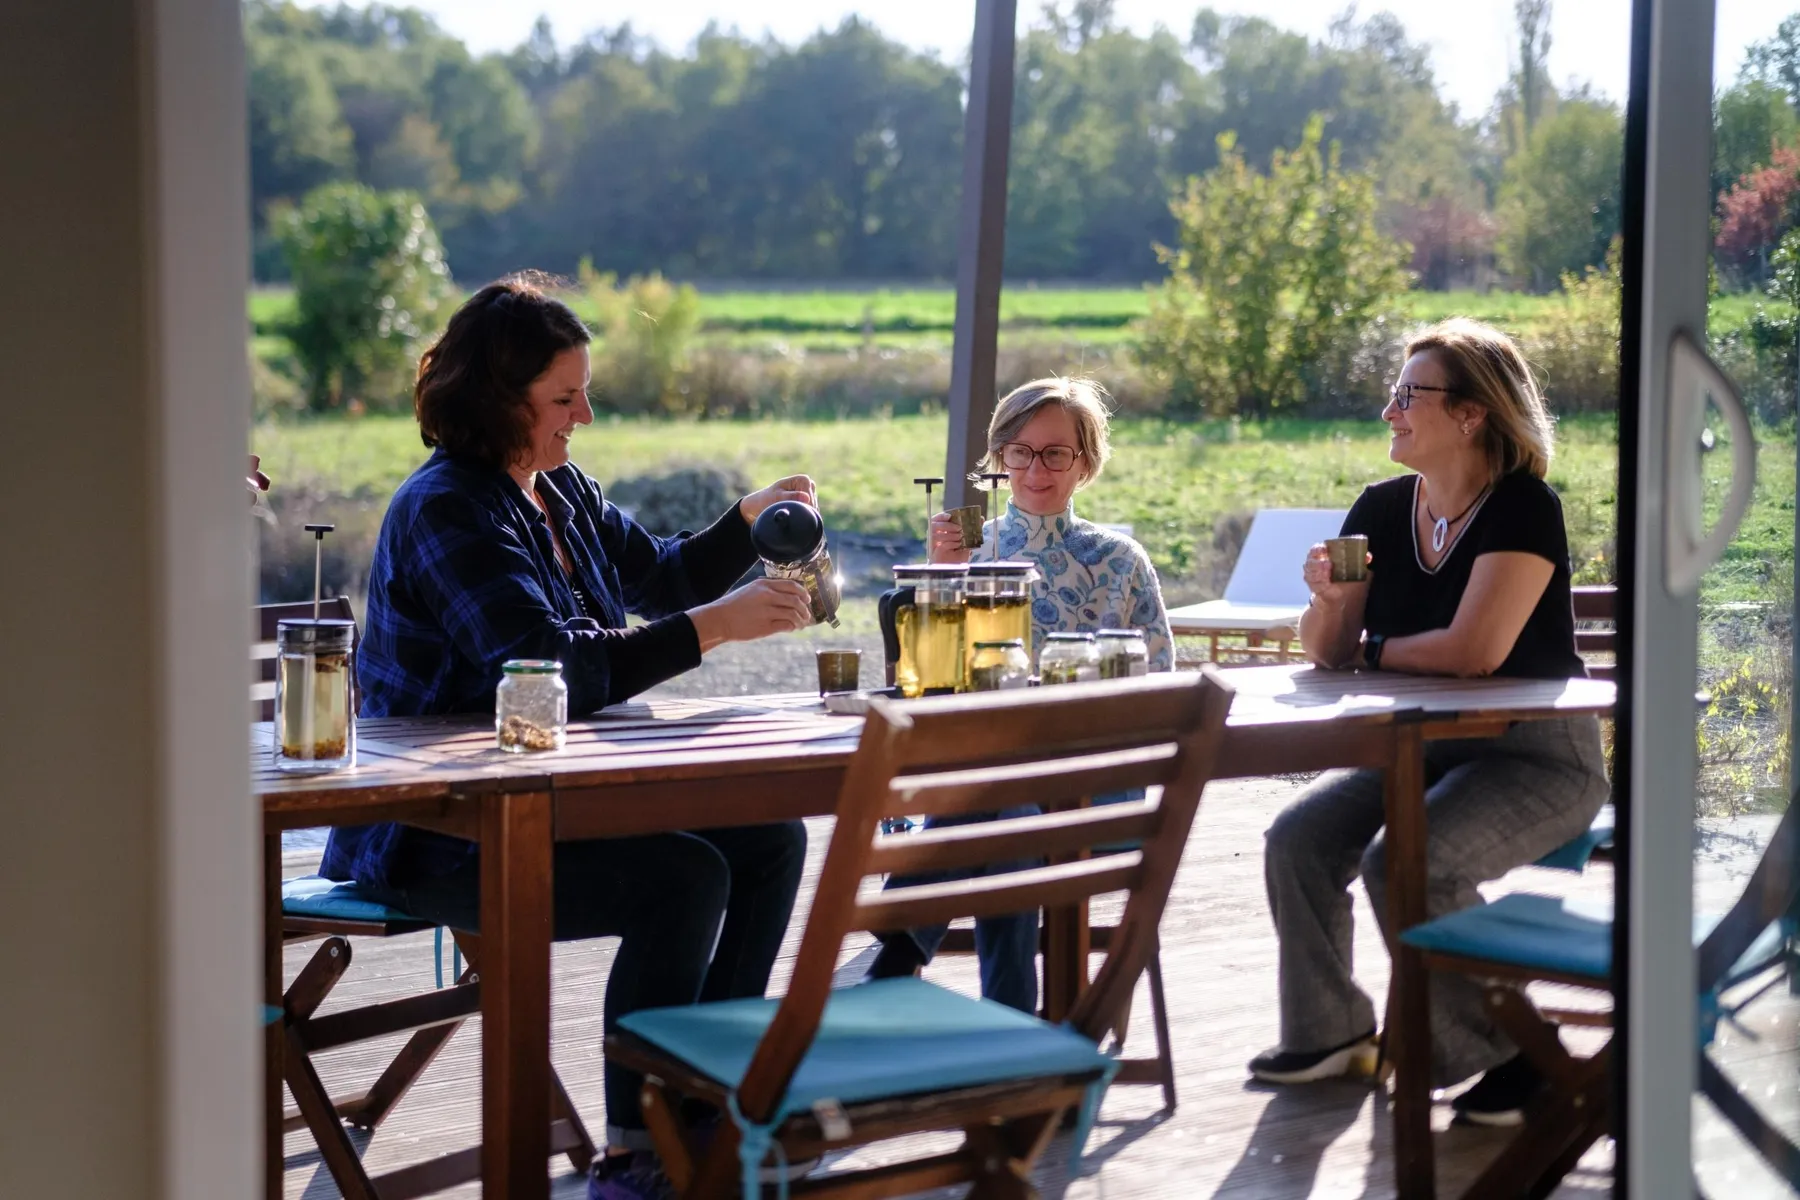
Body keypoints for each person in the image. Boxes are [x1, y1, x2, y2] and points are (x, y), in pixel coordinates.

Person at [315, 275, 816, 1200]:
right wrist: (720, 628)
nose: (585, 412)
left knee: (770, 841)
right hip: (437, 829)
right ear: (497, 399)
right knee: (685, 874)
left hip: (554, 804)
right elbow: (541, 670)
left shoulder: (558, 487)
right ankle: (638, 1152)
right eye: (563, 396)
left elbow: (659, 579)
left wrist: (743, 525)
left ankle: (706, 1106)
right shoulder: (444, 508)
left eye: (583, 391)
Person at [1251, 319, 1609, 1128]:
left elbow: (1475, 652)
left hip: (1538, 759)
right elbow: (1325, 653)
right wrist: (1334, 604)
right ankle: (1331, 1033)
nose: (1390, 411)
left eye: (1409, 395)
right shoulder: (1380, 508)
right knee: (1297, 840)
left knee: (1406, 861)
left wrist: (1368, 647)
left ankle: (1517, 1057)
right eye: (1394, 394)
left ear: (1472, 413)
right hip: (1423, 750)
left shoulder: (1523, 506)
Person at [867, 376, 1175, 1014]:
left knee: (998, 813)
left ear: (1085, 462)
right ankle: (1018, 1030)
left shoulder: (1120, 560)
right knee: (1004, 816)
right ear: (1000, 459)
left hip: (1095, 785)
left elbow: (1162, 691)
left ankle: (902, 951)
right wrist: (940, 585)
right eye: (1020, 451)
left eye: (1055, 452)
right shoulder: (965, 552)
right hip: (988, 780)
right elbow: (925, 690)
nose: (1036, 468)